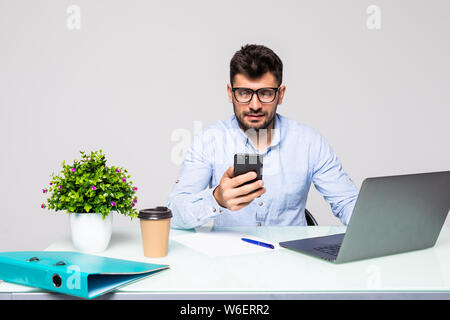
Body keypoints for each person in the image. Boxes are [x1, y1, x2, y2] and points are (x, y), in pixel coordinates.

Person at [168, 44, 359, 229]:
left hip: (292, 259)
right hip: (229, 260)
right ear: (230, 93)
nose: (255, 105)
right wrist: (217, 199)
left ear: (280, 94)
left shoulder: (309, 142)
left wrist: (375, 230)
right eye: (244, 93)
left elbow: (348, 203)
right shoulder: (208, 141)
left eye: (266, 93)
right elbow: (174, 214)